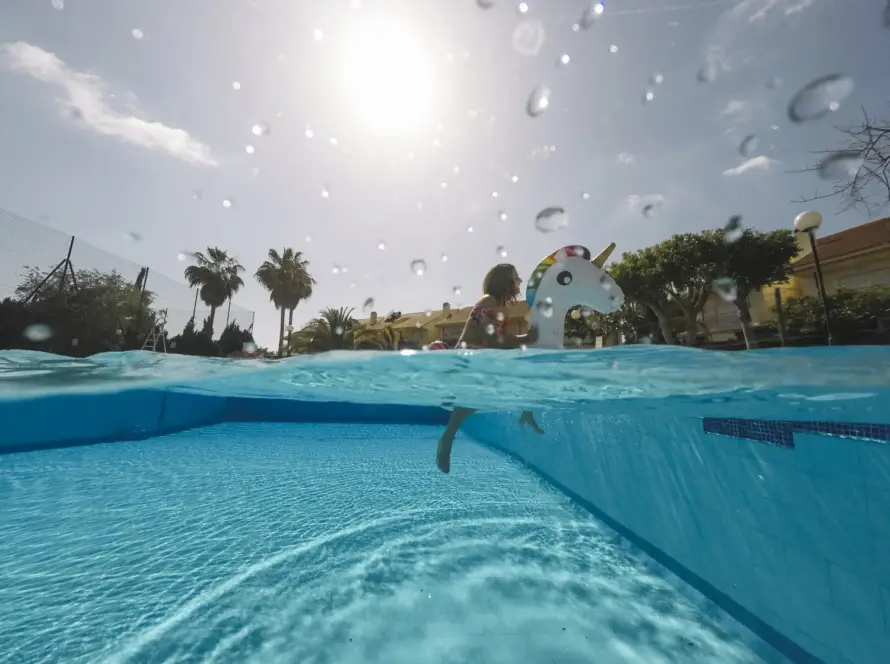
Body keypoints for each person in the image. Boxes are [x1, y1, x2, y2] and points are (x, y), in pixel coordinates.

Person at [431, 263, 544, 474]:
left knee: (521, 376)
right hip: (466, 360)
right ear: (505, 282)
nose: (519, 281)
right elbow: (495, 340)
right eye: (515, 277)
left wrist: (523, 343)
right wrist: (526, 338)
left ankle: (526, 413)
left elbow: (502, 341)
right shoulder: (488, 302)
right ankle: (447, 439)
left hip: (481, 360)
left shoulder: (503, 308)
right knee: (474, 400)